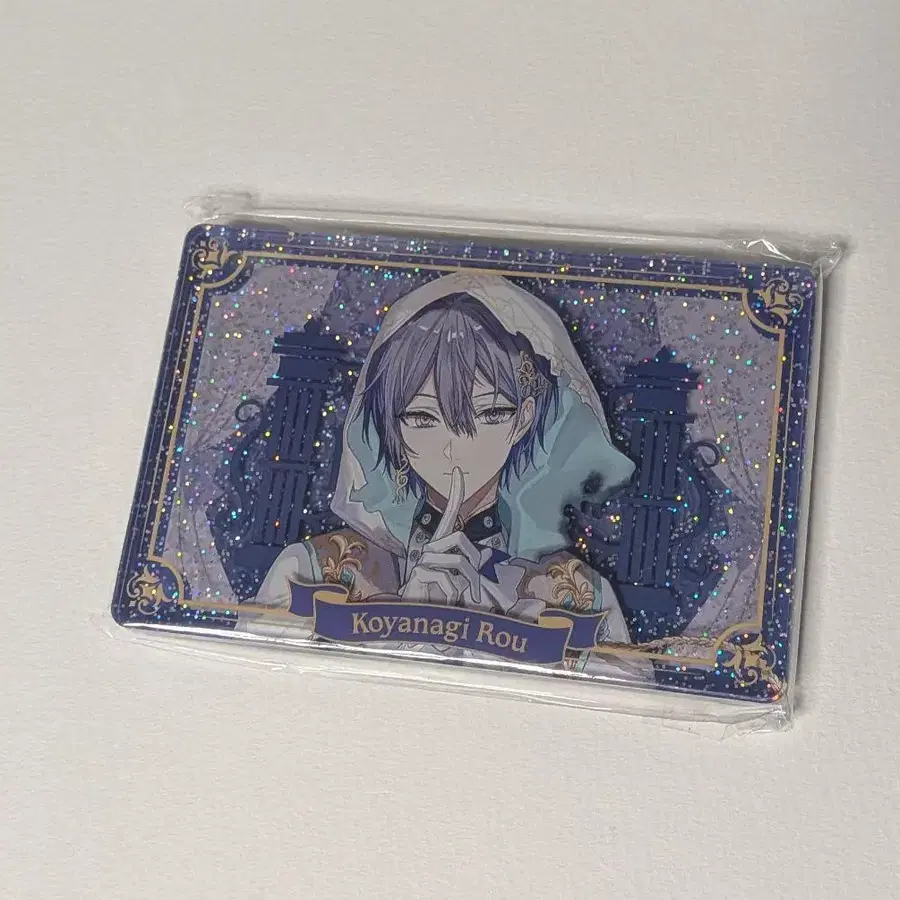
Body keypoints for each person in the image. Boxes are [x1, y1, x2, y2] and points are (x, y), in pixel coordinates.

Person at [238, 271, 649, 678]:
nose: (455, 446)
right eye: (422, 418)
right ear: (390, 426)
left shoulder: (580, 593)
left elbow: (624, 709)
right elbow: (251, 691)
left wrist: (491, 635)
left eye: (489, 414)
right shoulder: (312, 570)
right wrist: (400, 632)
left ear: (524, 419)